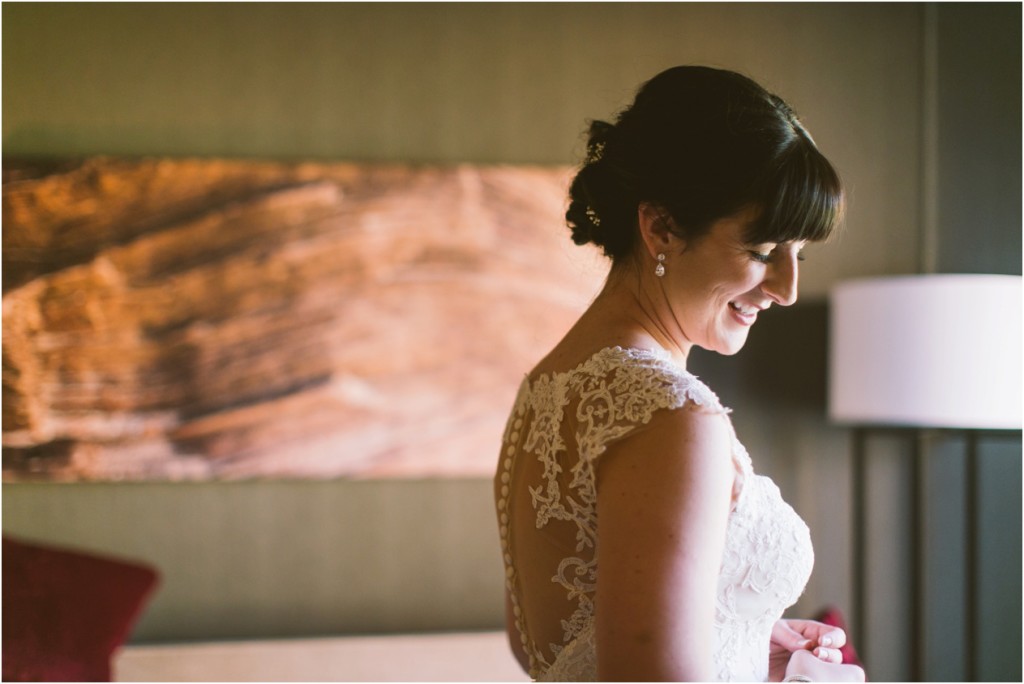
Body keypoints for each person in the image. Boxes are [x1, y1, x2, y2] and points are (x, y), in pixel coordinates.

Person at [493, 66, 866, 682]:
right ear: (661, 227)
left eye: (799, 254)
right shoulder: (672, 418)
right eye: (763, 251)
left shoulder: (545, 390)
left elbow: (547, 641)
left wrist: (737, 636)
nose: (788, 289)